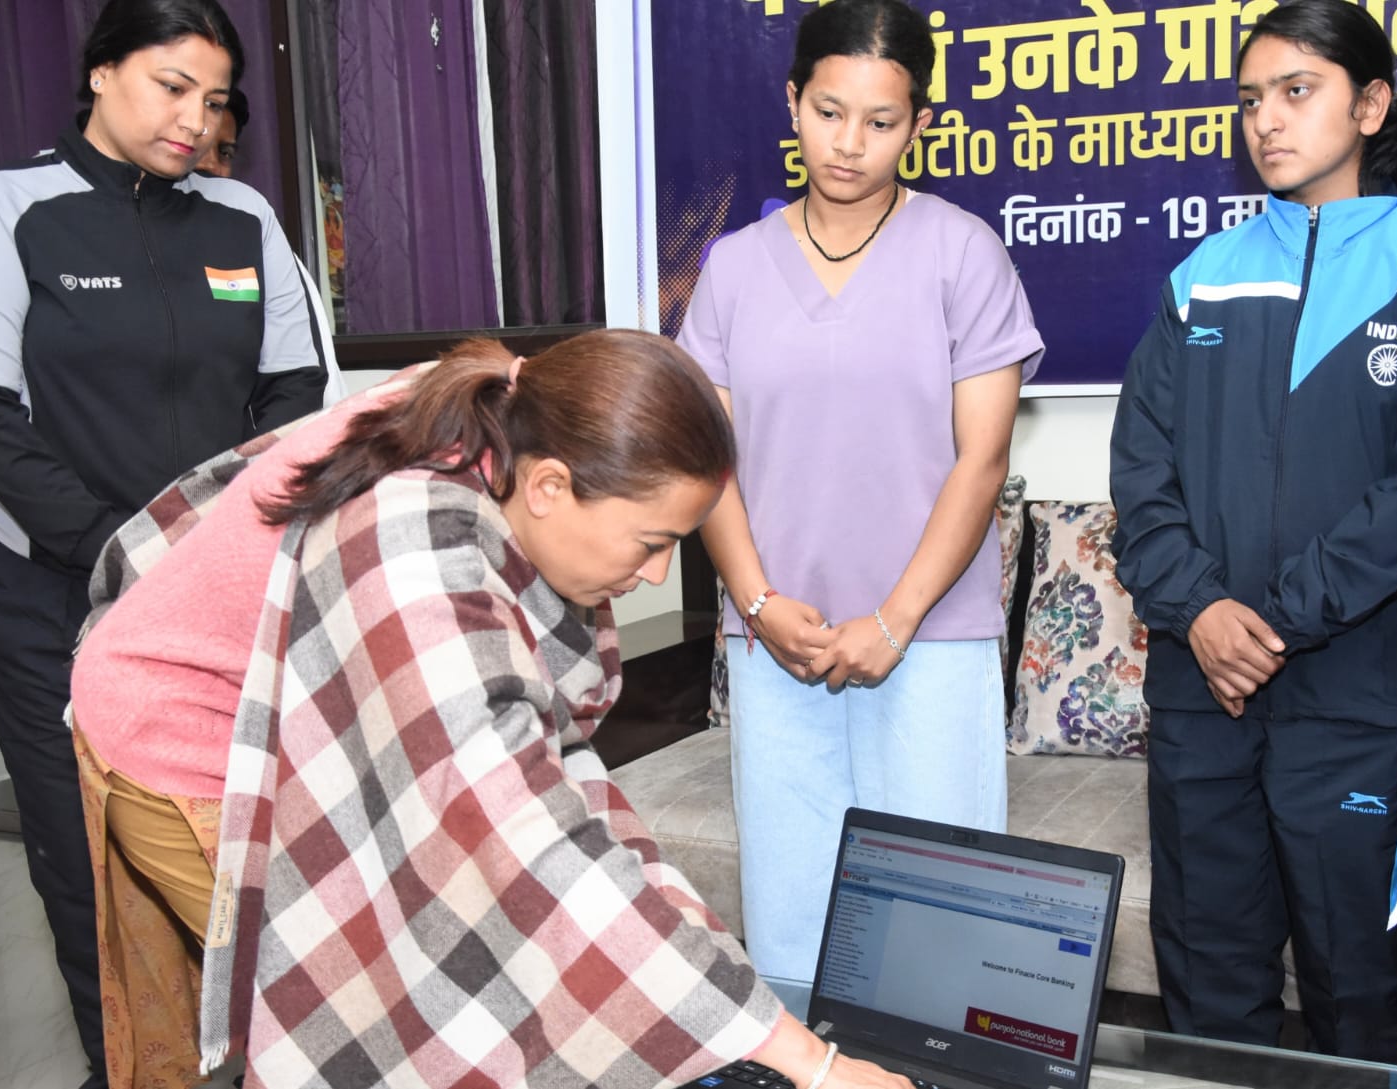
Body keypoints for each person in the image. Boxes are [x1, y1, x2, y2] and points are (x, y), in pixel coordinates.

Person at [68, 330, 912, 1089]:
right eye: (651, 543)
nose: (656, 575)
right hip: (181, 728)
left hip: (228, 678)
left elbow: (551, 779)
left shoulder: (516, 406)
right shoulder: (415, 544)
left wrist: (718, 982)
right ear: (548, 486)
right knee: (391, 1000)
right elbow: (527, 842)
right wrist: (808, 1061)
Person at [0, 2, 328, 1084]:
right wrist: (122, 547)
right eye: (170, 86)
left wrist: (218, 541)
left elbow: (294, 391)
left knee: (240, 852)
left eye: (215, 99)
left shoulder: (242, 217)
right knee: (86, 863)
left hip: (214, 603)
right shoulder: (7, 208)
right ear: (100, 73)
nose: (195, 119)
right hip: (53, 595)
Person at [1109, 0, 1397, 1063]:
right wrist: (1202, 611)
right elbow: (1141, 477)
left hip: (1356, 696)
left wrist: (1273, 621)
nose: (1267, 120)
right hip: (1201, 689)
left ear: (1370, 105)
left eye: (1296, 91)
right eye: (1251, 100)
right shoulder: (1203, 274)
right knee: (1206, 974)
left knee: (1353, 983)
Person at [680, 0, 1044, 991]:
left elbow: (981, 459)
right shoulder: (733, 268)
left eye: (881, 122)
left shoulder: (962, 252)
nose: (849, 144)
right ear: (792, 102)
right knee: (793, 916)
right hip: (778, 640)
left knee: (940, 922)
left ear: (919, 124)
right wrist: (757, 602)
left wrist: (895, 619)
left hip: (928, 638)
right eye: (829, 112)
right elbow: (707, 460)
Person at [195, 85, 348, 406]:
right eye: (197, 144)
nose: (209, 164)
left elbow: (314, 389)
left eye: (224, 152)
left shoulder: (261, 248)